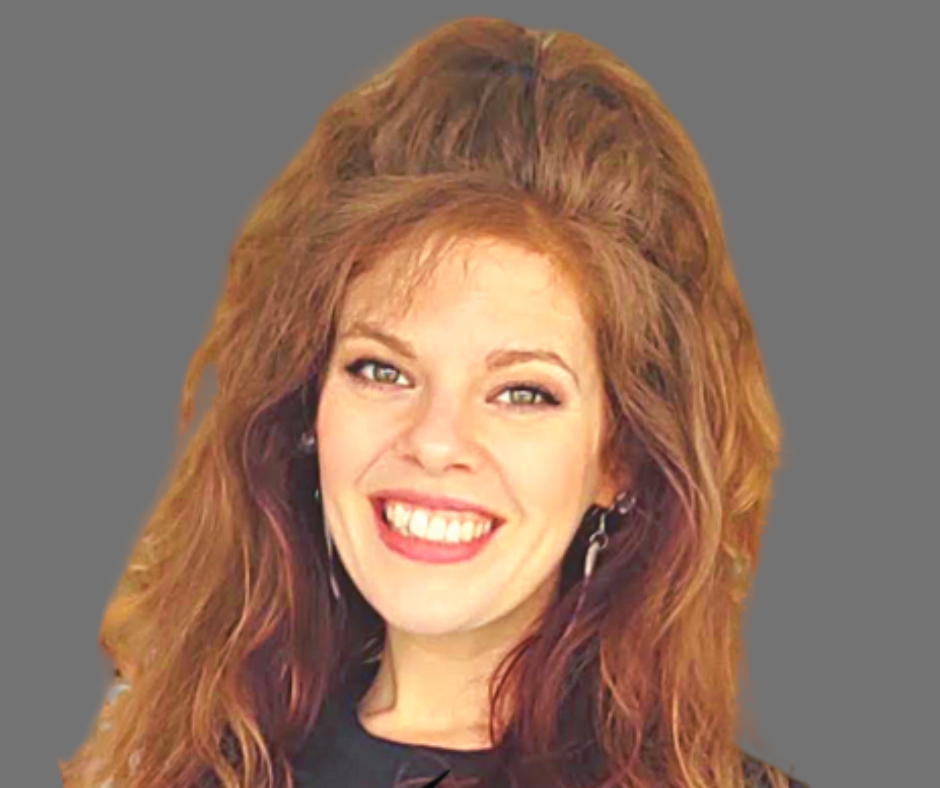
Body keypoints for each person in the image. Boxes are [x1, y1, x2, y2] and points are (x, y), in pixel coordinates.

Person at [59, 16, 812, 788]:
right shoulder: (183, 769)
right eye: (382, 371)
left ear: (619, 457)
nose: (435, 440)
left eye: (522, 392)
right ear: (307, 406)